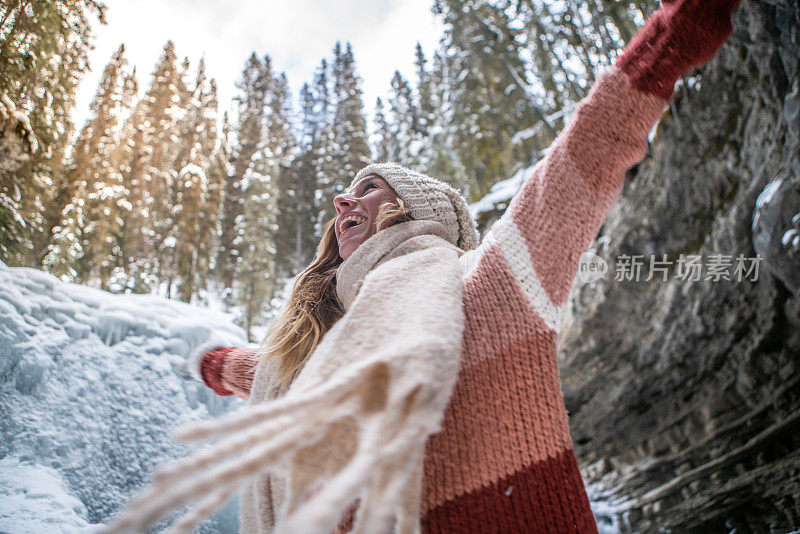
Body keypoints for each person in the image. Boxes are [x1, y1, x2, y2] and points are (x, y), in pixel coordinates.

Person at [104, 0, 743, 532]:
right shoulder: (327, 344)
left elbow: (580, 165)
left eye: (370, 188)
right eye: (343, 194)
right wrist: (221, 366)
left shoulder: (492, 285)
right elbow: (275, 374)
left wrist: (666, 44)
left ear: (419, 209)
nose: (343, 200)